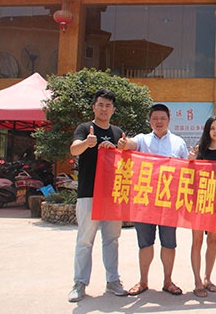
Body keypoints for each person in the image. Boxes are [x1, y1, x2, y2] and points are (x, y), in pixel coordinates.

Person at [117, 104, 188, 297]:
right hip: (145, 201)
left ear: (169, 120)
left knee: (169, 243)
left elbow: (187, 169)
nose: (159, 122)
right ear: (149, 120)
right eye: (155, 118)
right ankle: (143, 281)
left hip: (169, 202)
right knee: (145, 243)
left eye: (162, 118)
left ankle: (168, 281)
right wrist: (124, 143)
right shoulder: (142, 139)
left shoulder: (178, 143)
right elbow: (130, 144)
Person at [68, 89, 127, 302]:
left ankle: (113, 281)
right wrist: (87, 143)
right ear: (94, 107)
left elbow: (126, 160)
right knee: (85, 240)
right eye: (100, 105)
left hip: (112, 195)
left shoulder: (118, 132)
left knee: (112, 239)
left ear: (113, 109)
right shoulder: (85, 128)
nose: (104, 109)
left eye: (108, 105)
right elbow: (74, 150)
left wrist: (119, 149)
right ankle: (79, 283)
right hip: (88, 193)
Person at [187, 116, 216, 297]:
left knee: (212, 241)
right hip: (199, 201)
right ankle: (197, 281)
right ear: (207, 130)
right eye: (212, 128)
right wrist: (190, 160)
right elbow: (189, 174)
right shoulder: (200, 150)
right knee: (197, 241)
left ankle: (207, 278)